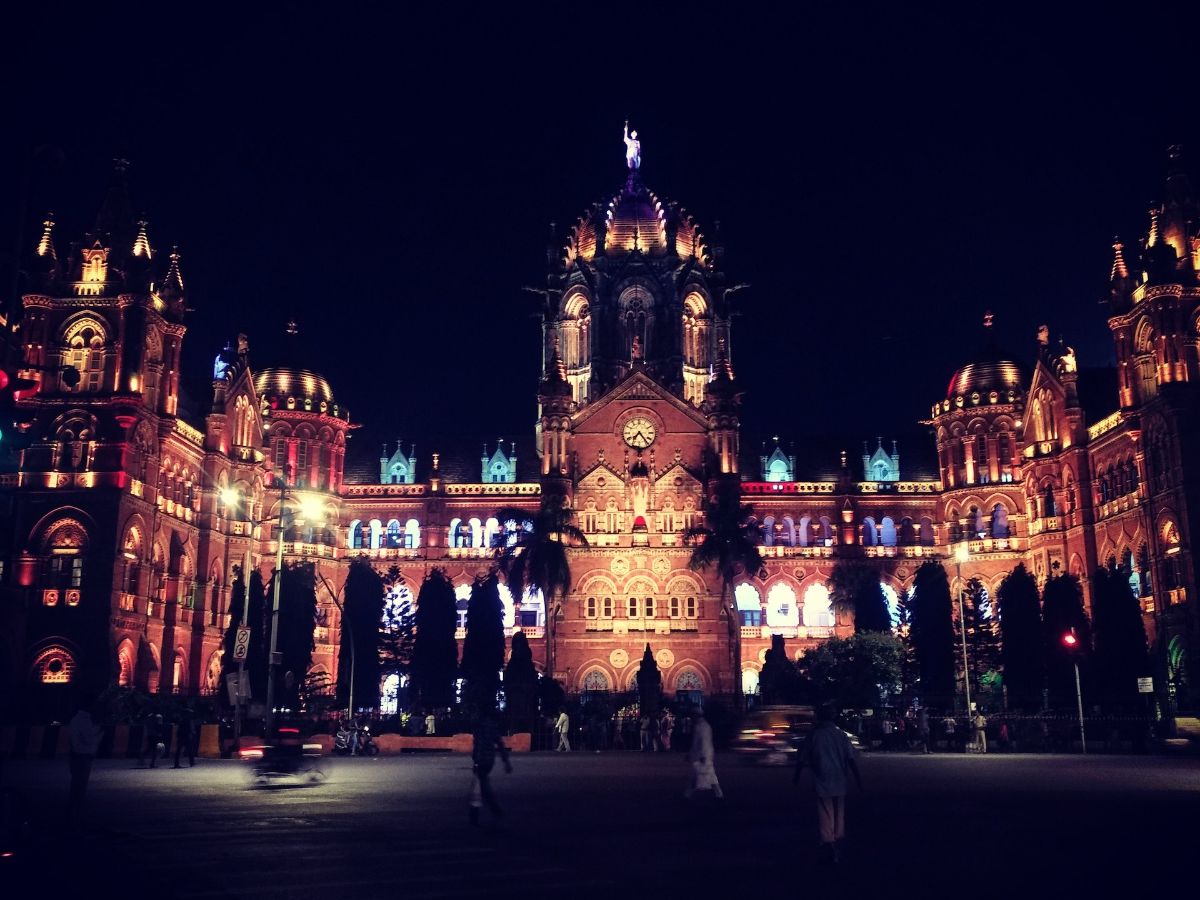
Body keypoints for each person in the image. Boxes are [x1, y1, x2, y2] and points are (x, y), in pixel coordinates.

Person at [794, 705, 863, 864]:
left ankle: (829, 842)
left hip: (822, 779)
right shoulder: (841, 735)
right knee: (839, 813)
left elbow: (802, 757)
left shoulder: (815, 735)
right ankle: (837, 839)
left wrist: (796, 776)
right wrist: (858, 780)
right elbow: (851, 759)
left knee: (826, 813)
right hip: (839, 779)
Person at [469, 708, 512, 826]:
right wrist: (506, 761)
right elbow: (499, 743)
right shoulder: (492, 726)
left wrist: (475, 759)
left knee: (480, 787)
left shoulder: (478, 726)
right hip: (489, 759)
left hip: (481, 759)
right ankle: (483, 812)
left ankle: (490, 811)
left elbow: (477, 744)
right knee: (480, 785)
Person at [67, 696, 102, 821]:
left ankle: (73, 811)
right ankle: (76, 812)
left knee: (76, 784)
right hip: (83, 756)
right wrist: (99, 734)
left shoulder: (75, 720)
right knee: (80, 785)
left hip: (76, 755)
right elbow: (89, 739)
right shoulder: (85, 721)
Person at [683, 707, 723, 800]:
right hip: (704, 755)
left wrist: (702, 755)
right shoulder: (703, 725)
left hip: (702, 757)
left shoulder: (701, 726)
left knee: (697, 776)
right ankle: (719, 795)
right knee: (710, 777)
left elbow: (703, 742)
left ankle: (687, 795)